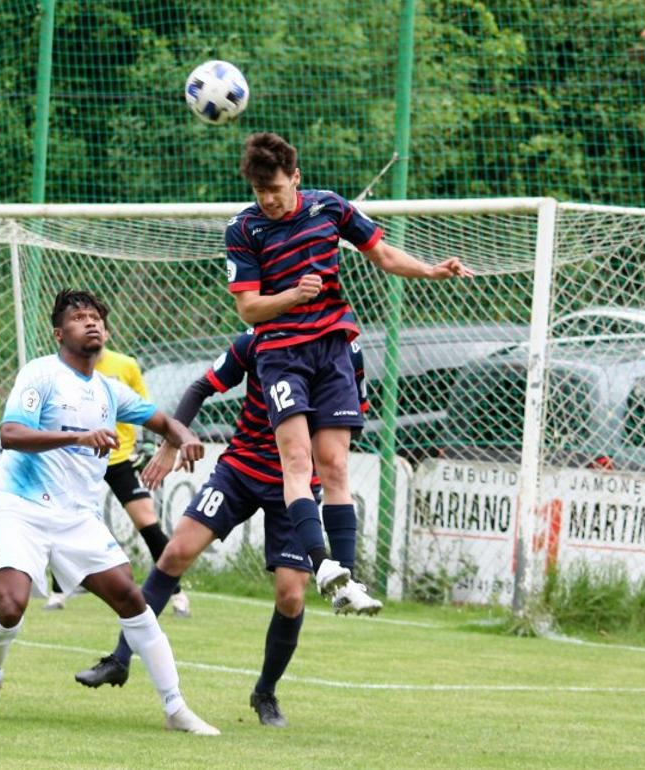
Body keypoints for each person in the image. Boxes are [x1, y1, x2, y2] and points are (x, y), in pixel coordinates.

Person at [73, 330, 380, 727]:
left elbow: (355, 411)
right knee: (175, 553)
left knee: (291, 596)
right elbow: (202, 386)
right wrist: (170, 441)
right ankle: (119, 659)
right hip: (239, 472)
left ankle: (265, 693)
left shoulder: (345, 344)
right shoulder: (257, 340)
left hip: (298, 488)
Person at [225, 132, 472, 602]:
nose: (269, 199)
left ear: (296, 178)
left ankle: (348, 582)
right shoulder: (243, 229)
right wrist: (294, 296)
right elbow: (249, 310)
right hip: (280, 354)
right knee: (296, 461)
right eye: (260, 192)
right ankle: (323, 568)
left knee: (335, 466)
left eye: (275, 188)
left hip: (334, 349)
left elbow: (382, 254)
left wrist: (432, 270)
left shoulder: (329, 208)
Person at [0, 289, 218, 735]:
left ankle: (175, 707)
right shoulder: (40, 374)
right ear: (61, 334)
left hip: (76, 518)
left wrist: (180, 438)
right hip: (18, 507)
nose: (91, 323)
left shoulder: (110, 390)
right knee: (10, 605)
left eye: (97, 317)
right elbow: (9, 433)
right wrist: (76, 438)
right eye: (80, 318)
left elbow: (164, 421)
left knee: (132, 598)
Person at [45, 338, 191, 618]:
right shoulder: (63, 368)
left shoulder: (126, 366)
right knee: (62, 518)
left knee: (147, 522)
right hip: (81, 458)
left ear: (106, 333)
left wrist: (149, 443)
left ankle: (177, 595)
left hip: (119, 456)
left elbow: (144, 407)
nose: (92, 332)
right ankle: (60, 590)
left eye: (97, 324)